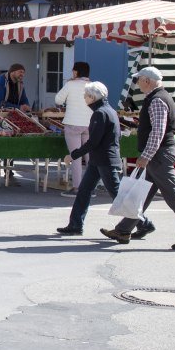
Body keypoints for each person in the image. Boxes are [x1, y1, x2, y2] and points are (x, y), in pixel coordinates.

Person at [102, 67, 175, 250]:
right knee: (142, 194)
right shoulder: (160, 97)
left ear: (147, 80)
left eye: (139, 80)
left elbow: (158, 132)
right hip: (160, 153)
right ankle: (123, 230)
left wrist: (146, 155)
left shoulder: (157, 100)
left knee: (173, 196)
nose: (138, 84)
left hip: (159, 154)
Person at [56, 81, 121, 235]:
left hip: (105, 160)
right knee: (84, 191)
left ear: (92, 97)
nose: (84, 98)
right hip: (98, 160)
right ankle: (75, 224)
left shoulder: (100, 113)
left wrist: (73, 155)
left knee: (118, 195)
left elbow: (93, 142)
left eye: (85, 95)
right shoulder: (109, 110)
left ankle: (143, 222)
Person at [0, 63, 31, 184]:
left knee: (9, 143)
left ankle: (9, 174)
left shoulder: (20, 84)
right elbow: (0, 103)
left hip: (8, 116)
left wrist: (27, 106)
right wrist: (19, 107)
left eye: (23, 72)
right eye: (20, 72)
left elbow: (24, 99)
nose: (22, 75)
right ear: (12, 72)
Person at [54, 62, 92, 195]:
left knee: (76, 156)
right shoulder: (93, 85)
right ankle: (91, 186)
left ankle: (77, 187)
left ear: (76, 72)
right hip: (90, 124)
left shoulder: (70, 84)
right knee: (90, 156)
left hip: (73, 123)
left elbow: (58, 100)